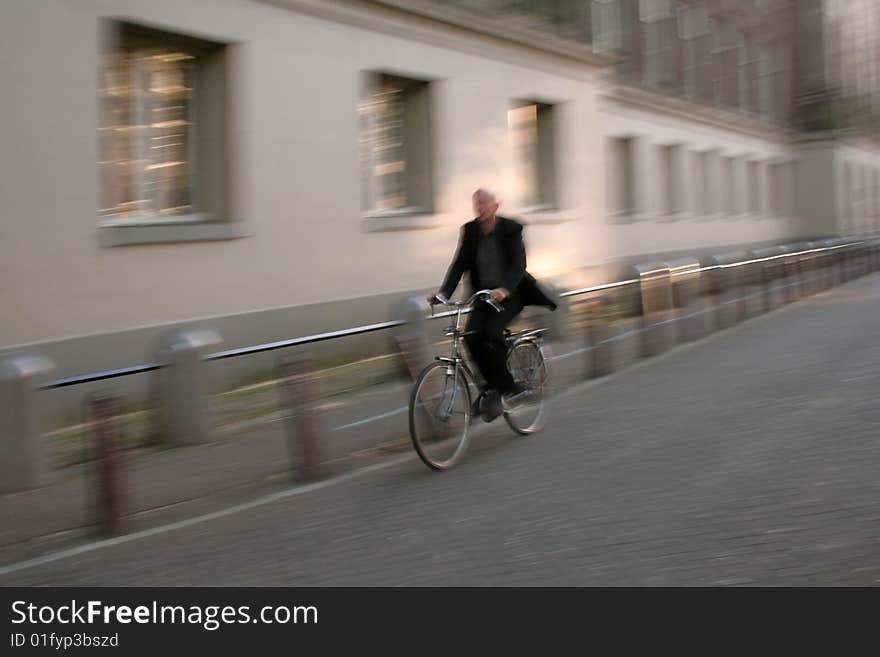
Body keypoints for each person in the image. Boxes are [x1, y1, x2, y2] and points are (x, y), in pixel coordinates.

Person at [428, 188, 557, 419]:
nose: (480, 208)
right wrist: (443, 293)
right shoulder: (470, 231)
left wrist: (505, 289)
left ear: (496, 206)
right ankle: (489, 389)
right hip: (482, 296)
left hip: (511, 295)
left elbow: (519, 264)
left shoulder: (511, 229)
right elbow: (459, 264)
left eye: (485, 203)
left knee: (490, 332)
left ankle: (511, 389)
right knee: (470, 336)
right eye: (476, 204)